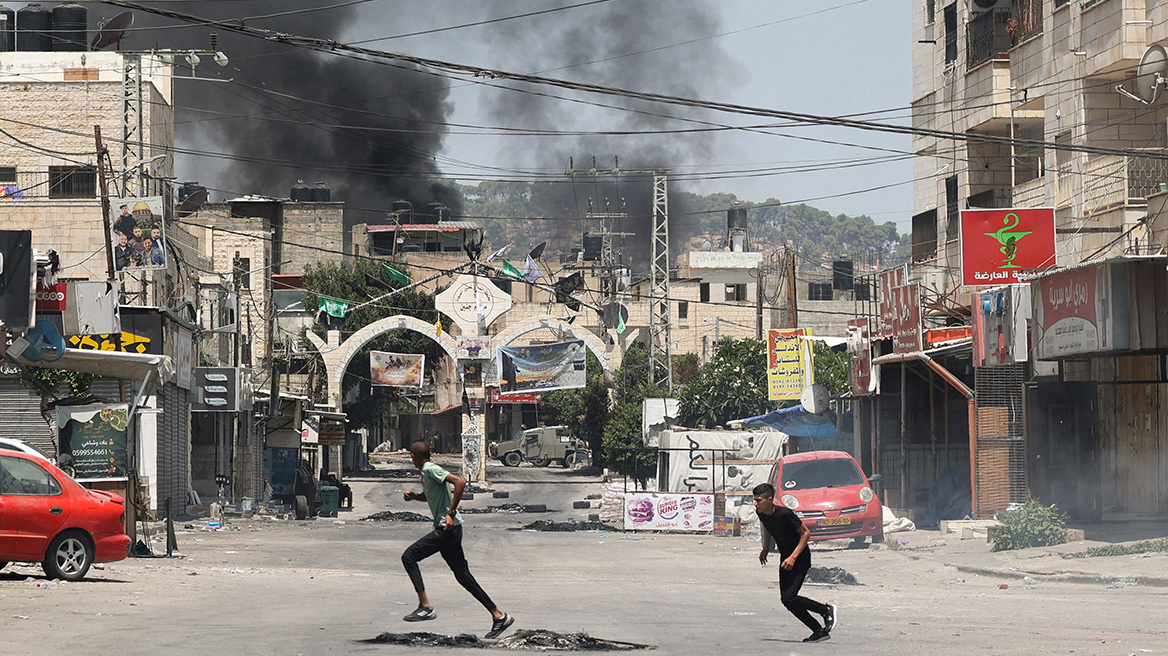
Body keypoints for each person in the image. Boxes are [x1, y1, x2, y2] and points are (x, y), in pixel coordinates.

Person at [400, 440, 514, 639]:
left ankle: (425, 606)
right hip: (451, 531)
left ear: (413, 457)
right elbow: (431, 496)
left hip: (446, 530)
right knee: (462, 575)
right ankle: (499, 616)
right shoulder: (427, 471)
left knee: (409, 557)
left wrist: (450, 513)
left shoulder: (429, 468)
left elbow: (459, 482)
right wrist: (415, 497)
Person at [753, 482, 836, 644]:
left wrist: (793, 557)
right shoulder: (761, 512)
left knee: (789, 597)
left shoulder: (785, 514)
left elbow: (806, 533)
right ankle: (818, 631)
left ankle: (825, 609)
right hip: (785, 558)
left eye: (759, 500)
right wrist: (766, 548)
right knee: (786, 600)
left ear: (770, 499)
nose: (755, 503)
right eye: (754, 500)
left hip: (800, 558)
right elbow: (768, 527)